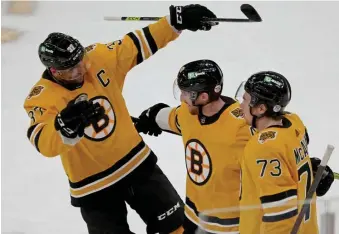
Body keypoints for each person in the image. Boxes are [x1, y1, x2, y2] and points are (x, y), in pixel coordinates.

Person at [23, 4, 219, 234]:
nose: (81, 70)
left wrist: (175, 22)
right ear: (55, 71)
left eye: (81, 62)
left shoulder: (97, 58)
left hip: (136, 165)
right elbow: (43, 141)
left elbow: (135, 44)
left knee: (179, 229)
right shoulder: (41, 98)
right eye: (72, 69)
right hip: (93, 187)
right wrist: (63, 130)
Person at [134, 59, 254, 233]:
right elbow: (169, 117)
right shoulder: (187, 113)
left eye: (186, 93)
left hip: (229, 225)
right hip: (192, 214)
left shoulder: (240, 127)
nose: (182, 98)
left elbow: (269, 151)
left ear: (203, 97)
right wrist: (150, 116)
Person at [236, 71, 334, 233]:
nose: (240, 106)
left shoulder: (263, 148)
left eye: (245, 100)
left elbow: (280, 216)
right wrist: (312, 168)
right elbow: (290, 163)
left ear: (260, 108)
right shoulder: (294, 124)